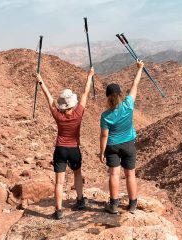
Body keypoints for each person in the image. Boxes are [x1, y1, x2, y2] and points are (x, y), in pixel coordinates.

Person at [36, 67, 95, 220]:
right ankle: (80, 200)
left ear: (62, 105)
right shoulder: (78, 113)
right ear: (72, 103)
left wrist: (41, 82)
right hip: (74, 149)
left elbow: (49, 99)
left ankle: (59, 210)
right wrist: (89, 76)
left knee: (59, 182)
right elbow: (85, 94)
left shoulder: (58, 115)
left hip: (60, 149)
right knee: (77, 173)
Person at [99, 60, 144, 214]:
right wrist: (139, 69)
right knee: (130, 174)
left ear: (107, 97)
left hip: (112, 146)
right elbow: (135, 85)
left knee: (114, 174)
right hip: (128, 144)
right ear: (119, 95)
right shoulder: (128, 105)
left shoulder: (105, 115)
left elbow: (104, 135)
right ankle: (132, 204)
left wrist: (102, 152)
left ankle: (114, 205)